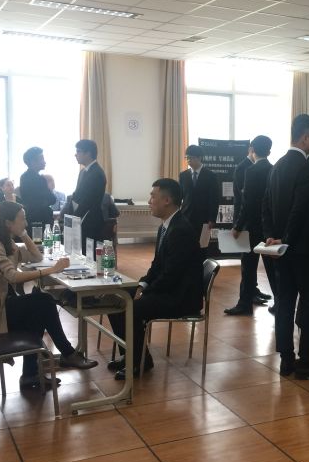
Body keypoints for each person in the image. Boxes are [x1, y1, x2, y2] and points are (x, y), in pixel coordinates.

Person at [0, 201, 96, 389]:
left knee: (38, 310)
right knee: (43, 301)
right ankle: (65, 355)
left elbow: (36, 257)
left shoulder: (3, 240)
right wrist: (52, 270)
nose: (27, 223)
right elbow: (13, 276)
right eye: (22, 219)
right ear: (8, 222)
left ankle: (33, 373)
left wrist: (23, 233)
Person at [262, 113, 309, 380]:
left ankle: (286, 359)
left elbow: (266, 206)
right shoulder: (305, 168)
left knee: (284, 303)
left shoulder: (277, 166)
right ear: (305, 138)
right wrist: (287, 239)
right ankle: (307, 361)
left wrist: (272, 237)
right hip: (305, 250)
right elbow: (300, 209)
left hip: (282, 251)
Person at [107, 179, 203, 380]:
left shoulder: (180, 230)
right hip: (169, 289)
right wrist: (142, 284)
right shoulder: (166, 227)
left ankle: (138, 362)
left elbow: (171, 275)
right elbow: (157, 266)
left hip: (180, 297)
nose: (149, 201)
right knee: (115, 297)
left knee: (133, 307)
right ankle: (131, 354)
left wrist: (146, 292)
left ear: (167, 200)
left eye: (153, 196)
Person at [227, 135, 276, 316]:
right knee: (272, 269)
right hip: (269, 228)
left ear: (252, 150)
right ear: (269, 151)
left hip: (252, 227)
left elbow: (246, 203)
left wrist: (238, 226)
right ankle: (280, 302)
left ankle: (244, 304)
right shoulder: (274, 169)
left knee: (248, 267)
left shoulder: (251, 171)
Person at [179, 144, 219, 257]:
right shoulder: (183, 175)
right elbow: (180, 196)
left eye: (191, 157)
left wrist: (212, 219)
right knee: (186, 245)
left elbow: (214, 199)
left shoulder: (211, 176)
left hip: (204, 219)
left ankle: (201, 266)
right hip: (186, 217)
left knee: (202, 247)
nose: (188, 160)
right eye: (187, 158)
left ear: (199, 157)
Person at [72, 139, 106, 250]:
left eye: (78, 151)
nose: (75, 154)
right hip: (81, 218)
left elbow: (88, 200)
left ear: (88, 153)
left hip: (91, 220)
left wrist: (74, 217)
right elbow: (77, 195)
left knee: (91, 254)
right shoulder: (83, 172)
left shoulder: (97, 173)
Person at [20, 147, 56, 228]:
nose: (44, 162)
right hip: (41, 219)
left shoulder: (24, 177)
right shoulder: (39, 179)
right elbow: (52, 199)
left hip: (30, 216)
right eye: (42, 159)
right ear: (33, 162)